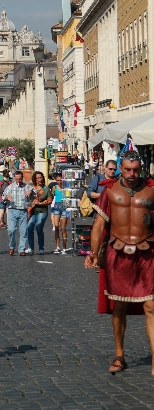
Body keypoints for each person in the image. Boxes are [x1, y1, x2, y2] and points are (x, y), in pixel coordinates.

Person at [85, 153, 154, 376]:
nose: (132, 174)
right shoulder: (109, 191)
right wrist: (94, 253)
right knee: (120, 306)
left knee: (151, 306)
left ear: (141, 168)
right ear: (120, 169)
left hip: (147, 254)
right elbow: (98, 225)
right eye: (127, 169)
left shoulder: (152, 190)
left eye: (136, 169)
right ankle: (119, 355)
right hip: (118, 253)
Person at [4, 171, 35, 256]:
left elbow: (35, 193)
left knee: (23, 231)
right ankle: (11, 246)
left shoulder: (27, 186)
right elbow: (3, 196)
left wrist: (30, 192)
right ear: (14, 178)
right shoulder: (10, 187)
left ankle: (21, 249)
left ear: (22, 178)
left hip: (23, 211)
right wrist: (7, 197)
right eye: (17, 179)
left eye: (20, 179)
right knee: (11, 229)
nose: (18, 181)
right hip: (12, 210)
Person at [26, 172, 52, 255]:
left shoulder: (46, 189)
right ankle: (30, 248)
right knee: (29, 227)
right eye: (37, 178)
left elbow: (50, 201)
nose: (39, 179)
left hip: (42, 211)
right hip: (32, 211)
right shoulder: (30, 188)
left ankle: (41, 248)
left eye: (40, 177)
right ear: (35, 179)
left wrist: (40, 203)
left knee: (39, 227)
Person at [50, 173, 70, 255]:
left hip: (65, 207)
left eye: (60, 180)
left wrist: (69, 214)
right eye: (57, 180)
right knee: (57, 228)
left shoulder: (67, 188)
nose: (59, 182)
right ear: (55, 180)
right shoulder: (54, 188)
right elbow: (51, 197)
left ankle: (64, 248)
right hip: (57, 207)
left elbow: (68, 200)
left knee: (63, 228)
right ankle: (57, 247)